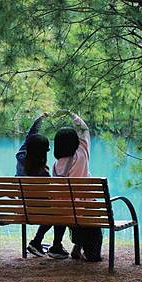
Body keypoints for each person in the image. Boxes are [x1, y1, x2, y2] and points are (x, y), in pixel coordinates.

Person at [15, 112, 68, 259]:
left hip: (24, 210)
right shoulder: (43, 174)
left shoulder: (21, 158)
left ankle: (38, 243)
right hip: (41, 213)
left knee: (56, 210)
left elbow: (30, 138)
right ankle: (54, 246)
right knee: (62, 210)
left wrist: (40, 119)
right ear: (44, 153)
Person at [52, 110, 102, 262]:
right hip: (82, 209)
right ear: (76, 142)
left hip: (64, 211)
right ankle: (83, 248)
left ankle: (77, 246)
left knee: (75, 212)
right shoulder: (81, 154)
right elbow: (85, 129)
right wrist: (71, 114)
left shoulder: (56, 165)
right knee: (87, 210)